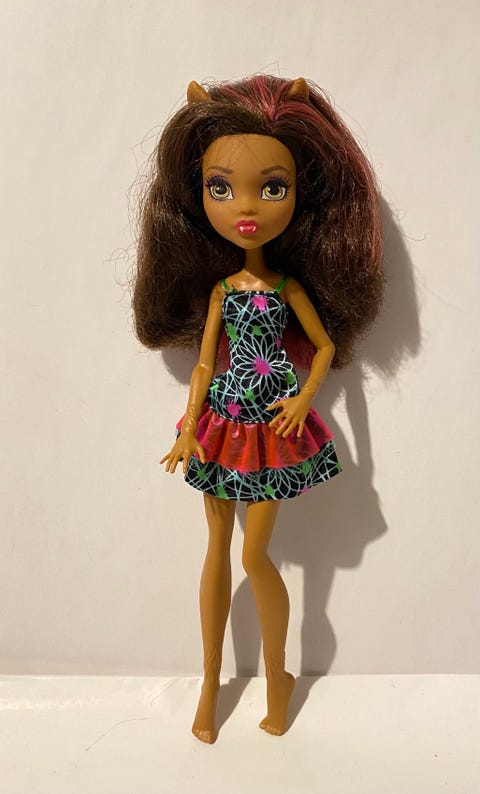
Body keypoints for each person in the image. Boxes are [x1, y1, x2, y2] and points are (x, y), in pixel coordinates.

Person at [133, 75, 383, 743]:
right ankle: (209, 682)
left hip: (271, 429)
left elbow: (324, 347)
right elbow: (205, 363)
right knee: (215, 549)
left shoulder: (287, 287)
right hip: (219, 425)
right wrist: (189, 428)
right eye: (222, 188)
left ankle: (277, 674)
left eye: (272, 188)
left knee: (254, 558)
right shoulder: (221, 290)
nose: (246, 207)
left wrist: (303, 397)